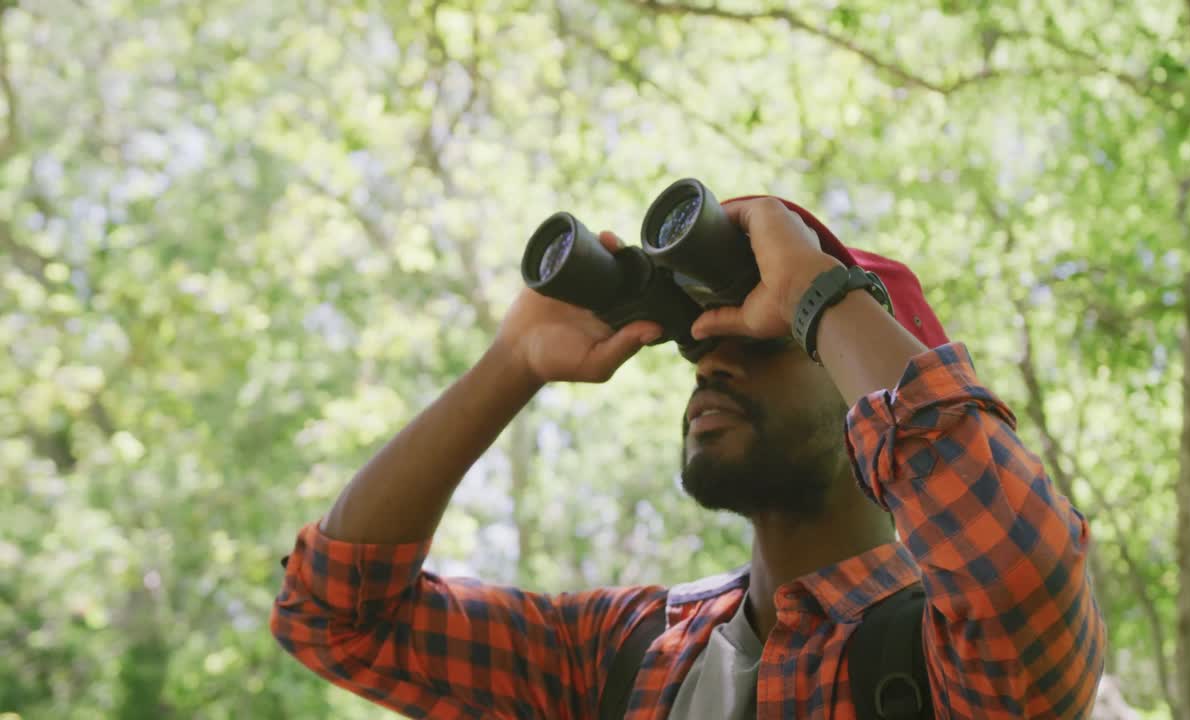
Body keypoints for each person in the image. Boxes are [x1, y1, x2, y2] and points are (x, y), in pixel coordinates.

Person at [271, 195, 1106, 718]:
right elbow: (338, 615)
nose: (712, 359)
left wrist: (818, 291)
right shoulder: (623, 652)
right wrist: (512, 363)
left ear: (866, 392)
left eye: (768, 334)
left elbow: (1018, 573)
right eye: (700, 338)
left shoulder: (945, 654)